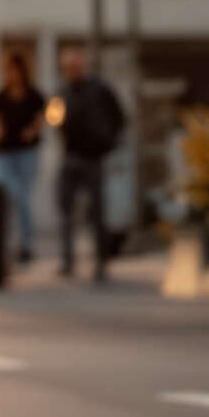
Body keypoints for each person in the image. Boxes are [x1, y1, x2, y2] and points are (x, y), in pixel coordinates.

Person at [52, 45, 127, 278]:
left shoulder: (100, 89)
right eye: (68, 66)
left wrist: (108, 142)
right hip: (70, 155)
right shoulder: (63, 91)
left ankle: (101, 262)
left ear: (83, 64)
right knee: (66, 210)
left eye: (75, 64)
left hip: (93, 157)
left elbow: (120, 117)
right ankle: (68, 261)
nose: (72, 69)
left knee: (97, 211)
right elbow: (55, 118)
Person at [0, 53, 47, 264]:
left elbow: (42, 119)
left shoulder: (34, 95)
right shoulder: (1, 96)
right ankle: (8, 241)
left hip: (27, 152)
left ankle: (26, 243)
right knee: (10, 193)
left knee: (22, 198)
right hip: (4, 152)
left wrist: (32, 131)